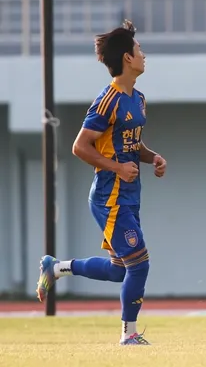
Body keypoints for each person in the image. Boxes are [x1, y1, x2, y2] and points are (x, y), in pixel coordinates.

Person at [36, 20, 166, 345]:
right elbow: (80, 146)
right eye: (139, 50)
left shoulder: (138, 99)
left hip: (129, 195)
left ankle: (56, 268)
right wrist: (117, 168)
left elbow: (130, 144)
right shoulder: (107, 100)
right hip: (110, 196)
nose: (143, 55)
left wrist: (152, 158)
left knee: (120, 270)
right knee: (140, 264)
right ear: (127, 58)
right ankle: (129, 335)